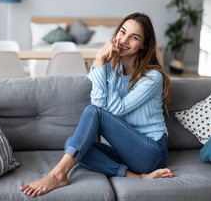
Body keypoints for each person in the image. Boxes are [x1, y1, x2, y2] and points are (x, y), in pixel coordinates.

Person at [20, 13, 173, 197]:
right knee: (73, 145)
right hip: (125, 151)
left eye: (134, 37)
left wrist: (101, 64)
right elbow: (99, 104)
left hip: (151, 152)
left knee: (91, 118)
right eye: (122, 32)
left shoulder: (152, 76)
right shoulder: (109, 68)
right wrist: (101, 62)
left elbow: (114, 110)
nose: (124, 40)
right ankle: (136, 177)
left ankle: (58, 174)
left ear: (144, 45)